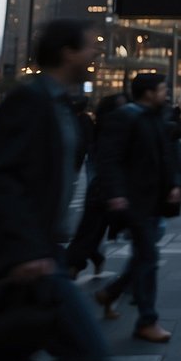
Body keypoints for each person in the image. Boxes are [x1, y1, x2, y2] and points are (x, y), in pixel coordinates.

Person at [0, 19, 106, 361]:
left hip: (39, 253)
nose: (95, 52)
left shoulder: (61, 105)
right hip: (24, 258)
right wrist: (28, 252)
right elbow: (5, 178)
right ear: (68, 53)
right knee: (87, 357)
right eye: (89, 46)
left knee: (0, 359)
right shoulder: (31, 99)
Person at [93, 74, 181, 342]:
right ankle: (147, 320)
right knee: (149, 258)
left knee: (144, 255)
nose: (165, 94)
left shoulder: (154, 116)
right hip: (135, 200)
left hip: (152, 200)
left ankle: (112, 292)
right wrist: (116, 194)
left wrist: (175, 184)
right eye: (162, 89)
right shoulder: (126, 117)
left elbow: (165, 155)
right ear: (148, 93)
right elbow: (109, 159)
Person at [66, 93, 129, 278]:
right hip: (110, 187)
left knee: (91, 228)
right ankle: (78, 264)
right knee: (92, 227)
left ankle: (82, 262)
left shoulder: (103, 125)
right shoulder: (114, 127)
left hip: (104, 185)